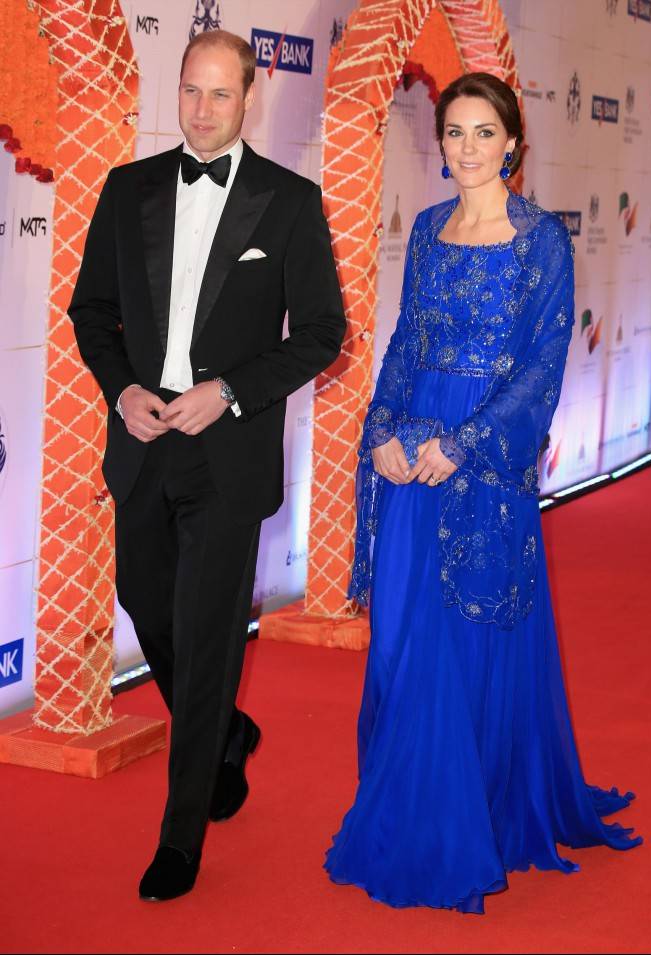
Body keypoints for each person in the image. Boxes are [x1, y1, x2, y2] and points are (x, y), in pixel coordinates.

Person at [325, 72, 641, 914]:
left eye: (484, 133)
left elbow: (542, 367)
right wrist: (382, 428)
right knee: (401, 633)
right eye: (455, 133)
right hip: (413, 451)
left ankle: (468, 818)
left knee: (464, 638)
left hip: (484, 461)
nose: (468, 149)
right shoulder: (428, 229)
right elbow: (405, 341)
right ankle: (408, 805)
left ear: (512, 144)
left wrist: (461, 444)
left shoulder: (542, 241)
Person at [69, 30, 345, 901]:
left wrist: (227, 392)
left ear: (250, 97)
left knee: (209, 632)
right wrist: (122, 390)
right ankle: (224, 728)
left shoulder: (289, 201)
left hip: (227, 450)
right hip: (144, 441)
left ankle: (180, 836)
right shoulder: (128, 189)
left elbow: (323, 334)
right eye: (191, 90)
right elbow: (91, 310)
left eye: (221, 94)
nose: (201, 109)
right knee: (145, 600)